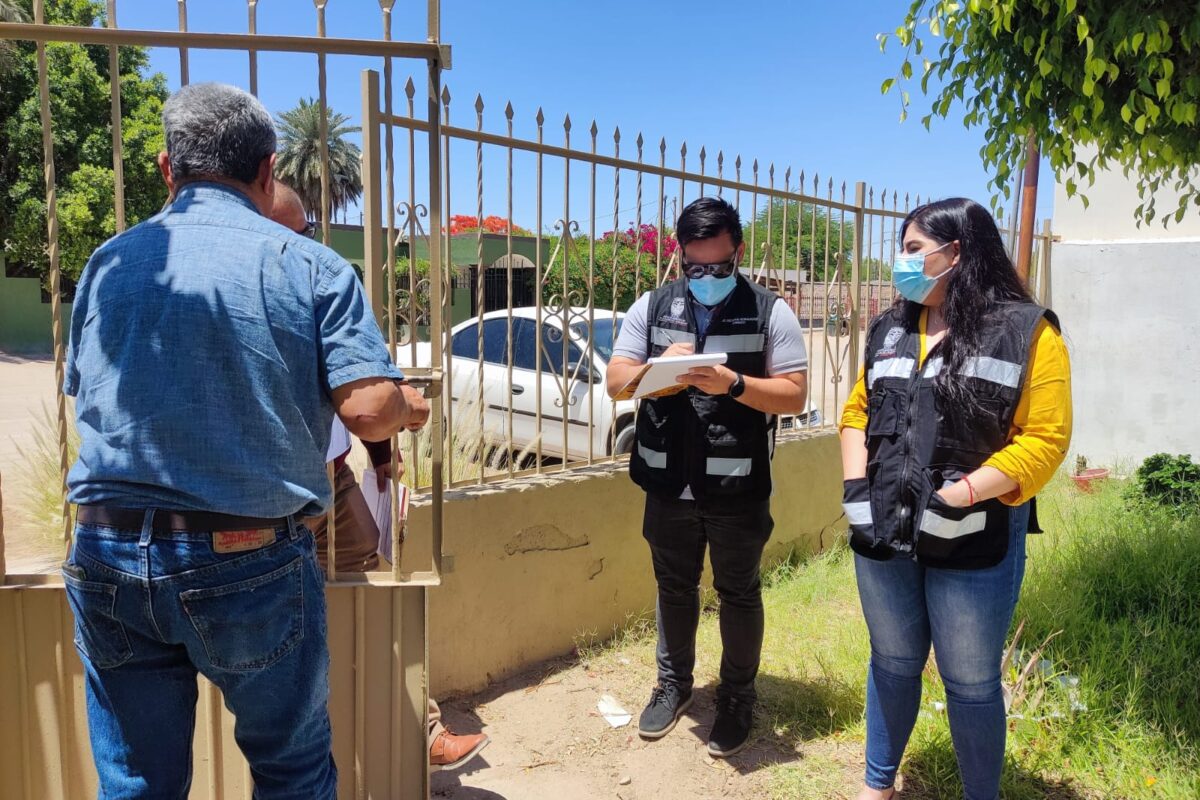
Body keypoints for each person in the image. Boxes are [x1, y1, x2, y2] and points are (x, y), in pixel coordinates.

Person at [61, 82, 429, 798]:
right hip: (247, 552)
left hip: (107, 548)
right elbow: (366, 411)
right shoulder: (311, 265)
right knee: (291, 773)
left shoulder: (108, 263)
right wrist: (408, 406)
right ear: (267, 171)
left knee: (135, 783)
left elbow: (94, 393)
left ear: (167, 169)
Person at [839, 198, 1072, 800]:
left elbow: (1045, 439)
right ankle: (877, 786)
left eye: (914, 250)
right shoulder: (891, 327)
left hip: (972, 535)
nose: (902, 262)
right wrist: (854, 488)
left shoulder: (1027, 331)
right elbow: (857, 412)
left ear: (957, 252)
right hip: (884, 526)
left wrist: (963, 493)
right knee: (892, 660)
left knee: (969, 681)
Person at [270, 184, 491, 773]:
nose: (303, 246)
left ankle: (421, 731)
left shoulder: (315, 285)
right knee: (278, 636)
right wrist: (406, 409)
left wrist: (383, 457)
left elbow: (357, 386)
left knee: (376, 598)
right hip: (262, 502)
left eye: (305, 233)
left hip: (333, 483)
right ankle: (335, 745)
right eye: (291, 235)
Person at [605, 197, 809, 758]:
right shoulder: (652, 306)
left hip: (737, 486)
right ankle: (673, 686)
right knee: (674, 587)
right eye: (695, 267)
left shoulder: (770, 311)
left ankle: (737, 697)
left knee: (738, 592)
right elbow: (616, 382)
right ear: (681, 257)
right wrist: (656, 372)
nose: (707, 277)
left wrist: (734, 384)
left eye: (719, 266)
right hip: (668, 482)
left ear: (738, 252)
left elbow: (794, 395)